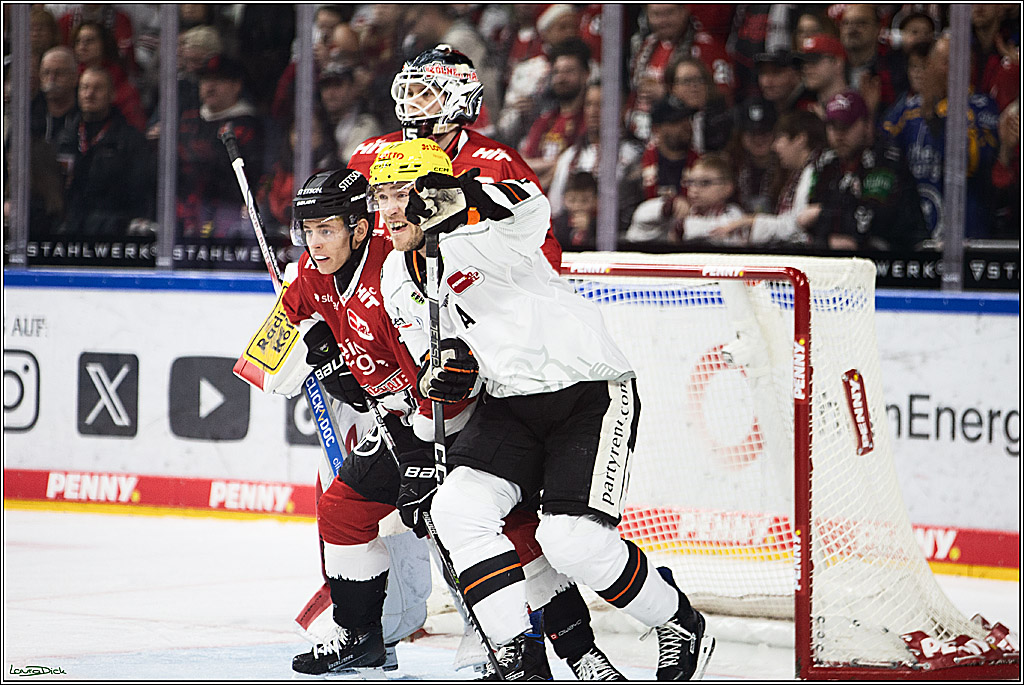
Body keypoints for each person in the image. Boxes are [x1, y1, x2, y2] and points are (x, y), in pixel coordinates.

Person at [372, 137, 715, 681]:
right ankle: (513, 652)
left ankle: (678, 620)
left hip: (586, 392)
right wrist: (449, 374)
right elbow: (435, 363)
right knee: (456, 510)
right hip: (509, 403)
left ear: (428, 193)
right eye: (378, 196)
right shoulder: (396, 273)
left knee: (571, 541)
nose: (385, 211)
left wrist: (462, 194)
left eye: (396, 195)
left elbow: (531, 210)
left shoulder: (485, 233)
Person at [280, 168, 623, 680]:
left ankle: (576, 652)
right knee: (342, 513)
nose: (315, 242)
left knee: (512, 534)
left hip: (453, 421)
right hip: (399, 423)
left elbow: (448, 372)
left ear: (358, 227)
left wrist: (423, 451)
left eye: (326, 229)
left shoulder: (395, 271)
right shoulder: (314, 270)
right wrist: (322, 351)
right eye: (307, 231)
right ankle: (360, 639)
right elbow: (290, 322)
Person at [347, 44, 562, 269]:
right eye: (409, 93)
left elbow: (539, 242)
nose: (411, 103)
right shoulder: (368, 155)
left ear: (459, 97)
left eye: (425, 93)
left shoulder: (498, 162)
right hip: (385, 294)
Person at [881, 35, 1000, 238]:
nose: (949, 70)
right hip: (915, 234)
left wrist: (934, 119)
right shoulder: (905, 111)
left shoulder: (980, 108)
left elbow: (970, 163)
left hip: (966, 235)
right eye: (943, 61)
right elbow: (882, 159)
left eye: (955, 62)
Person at [809, 89, 928, 251]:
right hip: (835, 259)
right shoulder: (826, 163)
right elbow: (807, 221)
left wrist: (822, 214)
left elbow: (872, 223)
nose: (839, 135)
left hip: (892, 260)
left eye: (846, 126)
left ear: (866, 125)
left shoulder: (886, 160)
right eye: (833, 127)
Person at [54, 65, 154, 238]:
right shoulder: (64, 137)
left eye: (97, 88)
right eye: (85, 87)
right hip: (70, 231)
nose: (89, 94)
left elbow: (139, 193)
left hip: (113, 231)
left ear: (112, 94)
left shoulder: (130, 140)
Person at [175, 53, 264, 241]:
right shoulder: (187, 119)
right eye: (205, 80)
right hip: (184, 214)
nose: (210, 86)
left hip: (227, 214)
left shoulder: (248, 125)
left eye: (219, 80)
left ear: (236, 85)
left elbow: (241, 176)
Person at [711, 110, 828, 246]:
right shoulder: (802, 171)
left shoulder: (818, 172)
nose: (775, 147)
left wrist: (750, 221)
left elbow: (797, 227)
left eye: (779, 138)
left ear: (800, 139)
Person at [519, 37, 592, 188]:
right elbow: (522, 163)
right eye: (557, 72)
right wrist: (554, 165)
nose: (561, 78)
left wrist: (558, 166)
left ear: (586, 74)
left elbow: (573, 163)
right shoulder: (547, 118)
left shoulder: (589, 118)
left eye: (569, 71)